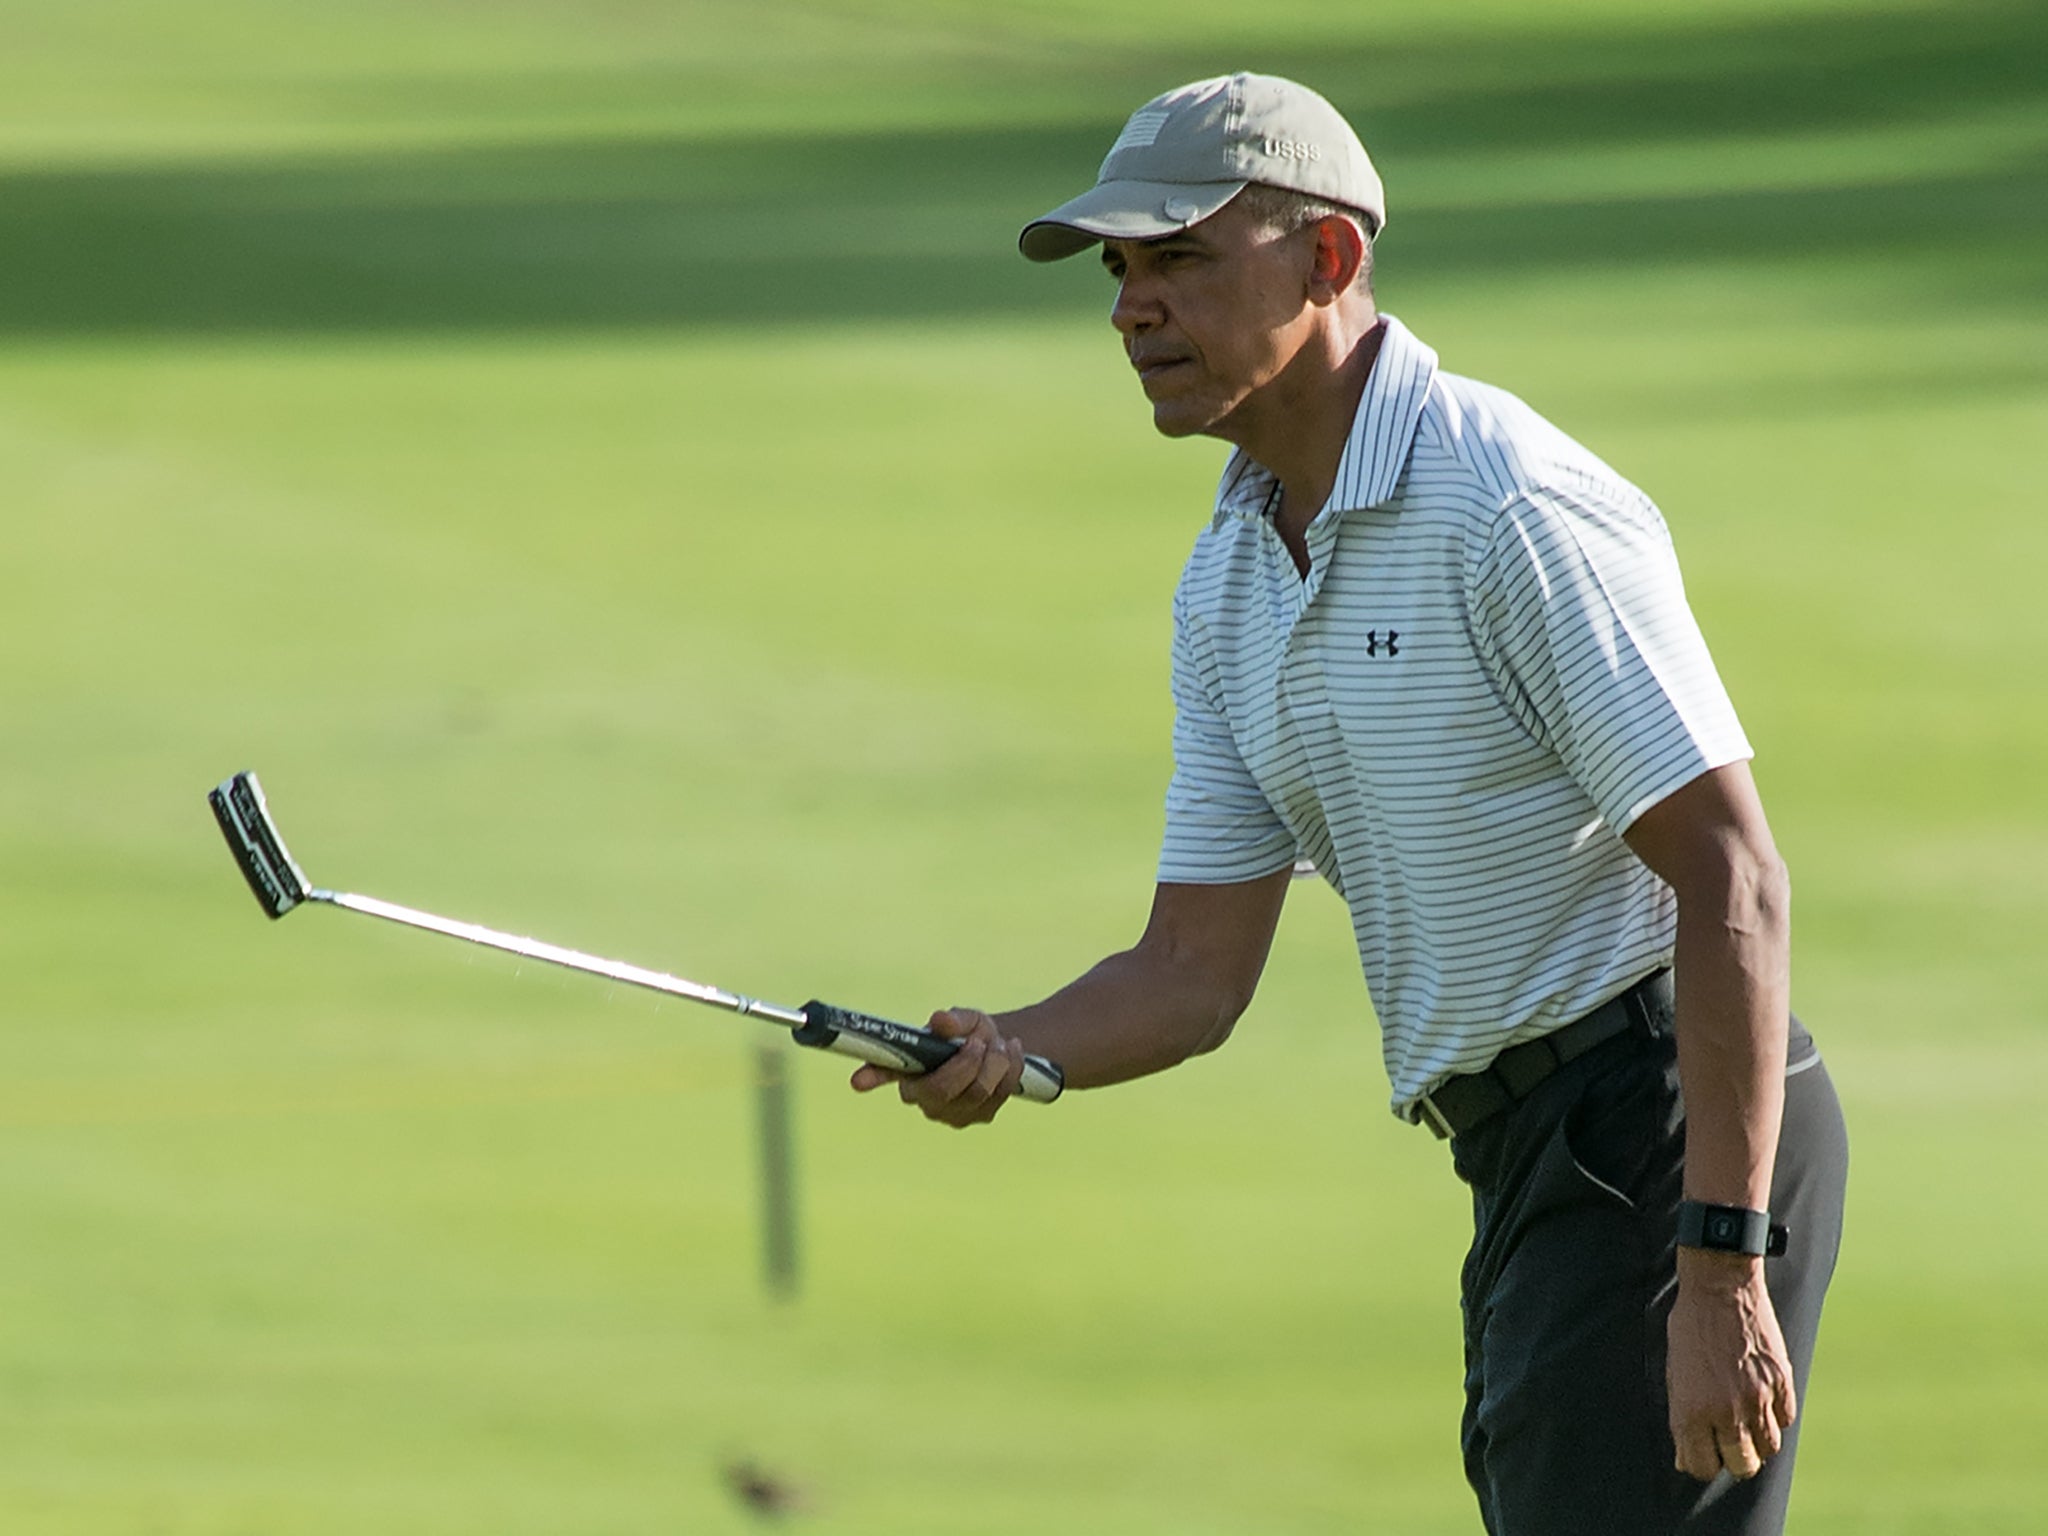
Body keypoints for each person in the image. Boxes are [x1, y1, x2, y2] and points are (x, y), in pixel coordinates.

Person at [850, 72, 1848, 1535]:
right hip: (1526, 1158)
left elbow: (1734, 876)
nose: (1130, 307)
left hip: (1665, 1139)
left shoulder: (1503, 503)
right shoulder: (1234, 573)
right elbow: (1192, 972)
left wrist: (1718, 1268)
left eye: (1179, 257)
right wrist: (1015, 1047)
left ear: (1327, 261)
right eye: (1122, 270)